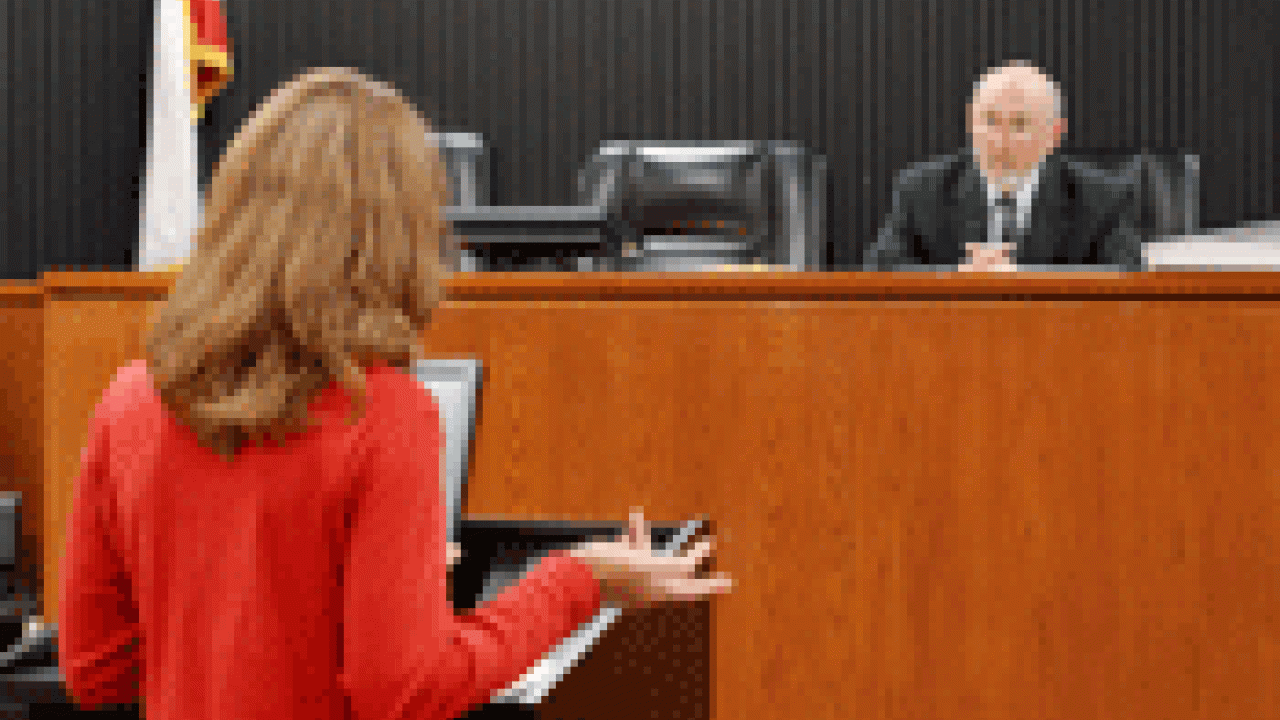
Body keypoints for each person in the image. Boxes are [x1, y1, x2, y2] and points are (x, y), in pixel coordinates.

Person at [58, 68, 732, 720]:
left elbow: (97, 669)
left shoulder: (130, 402)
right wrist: (576, 582)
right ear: (398, 235)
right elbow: (405, 693)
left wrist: (330, 589)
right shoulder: (383, 415)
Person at [867, 60, 1142, 271]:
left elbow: (1127, 277)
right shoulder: (922, 190)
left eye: (1020, 124)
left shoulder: (1100, 197)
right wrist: (959, 277)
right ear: (970, 123)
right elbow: (881, 272)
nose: (1001, 139)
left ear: (1054, 134)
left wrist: (1019, 277)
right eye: (989, 121)